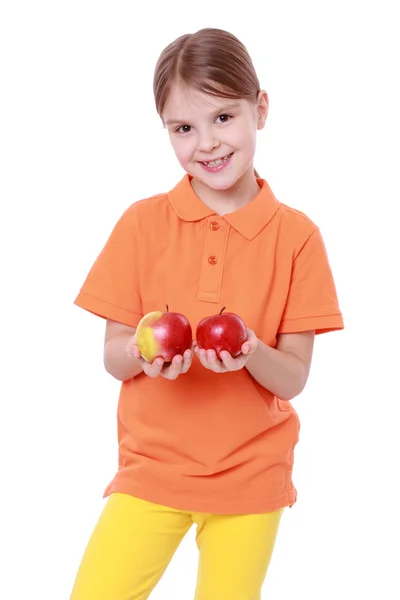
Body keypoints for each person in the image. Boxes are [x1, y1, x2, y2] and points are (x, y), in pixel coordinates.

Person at [70, 27, 344, 600]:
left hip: (251, 478)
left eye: (224, 117)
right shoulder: (141, 225)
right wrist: (143, 354)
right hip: (151, 471)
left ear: (260, 109)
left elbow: (294, 376)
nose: (207, 143)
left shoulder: (298, 238)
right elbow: (112, 357)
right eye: (183, 128)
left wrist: (250, 352)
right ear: (165, 130)